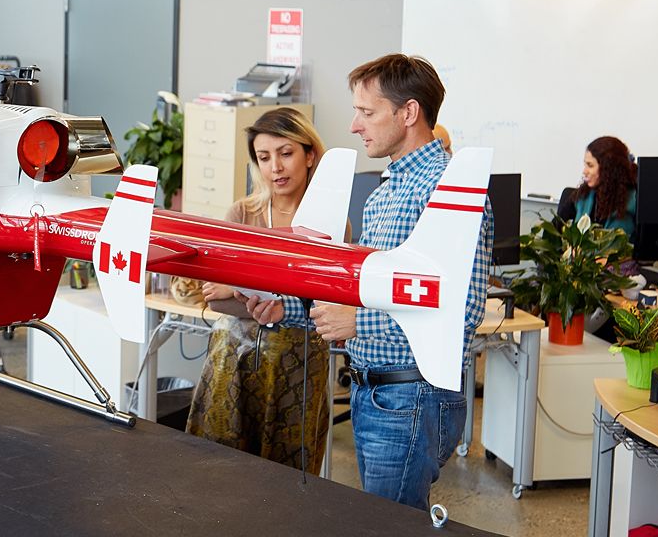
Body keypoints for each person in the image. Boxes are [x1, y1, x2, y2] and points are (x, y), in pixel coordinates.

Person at [244, 54, 493, 510]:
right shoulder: (382, 195)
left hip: (410, 394)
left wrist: (360, 323)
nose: (354, 125)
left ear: (408, 112)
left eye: (366, 112)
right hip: (373, 391)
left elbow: (462, 309)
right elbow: (361, 292)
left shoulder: (448, 188)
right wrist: (288, 310)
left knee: (387, 523)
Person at [185, 107, 331, 474]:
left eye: (286, 153)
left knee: (287, 474)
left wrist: (241, 289)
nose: (275, 168)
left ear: (309, 154)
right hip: (234, 359)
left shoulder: (329, 220)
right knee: (221, 469)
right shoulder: (243, 214)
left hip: (297, 365)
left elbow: (323, 305)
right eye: (264, 158)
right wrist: (278, 298)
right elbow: (215, 299)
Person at [556, 136, 637, 236]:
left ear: (608, 168)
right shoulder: (580, 197)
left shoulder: (634, 202)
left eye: (590, 165)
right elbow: (553, 233)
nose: (584, 171)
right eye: (585, 165)